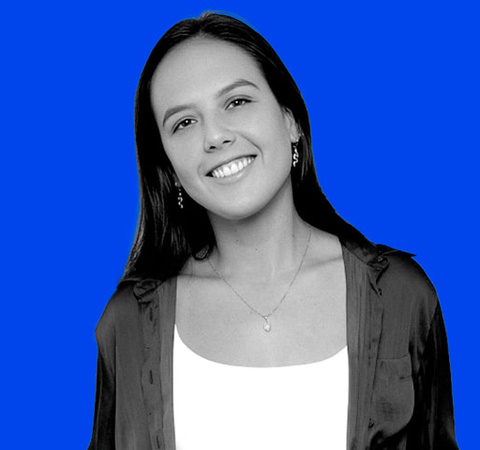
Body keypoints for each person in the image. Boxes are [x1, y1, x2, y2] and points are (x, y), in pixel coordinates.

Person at [88, 12, 459, 450]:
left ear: (291, 121)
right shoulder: (128, 323)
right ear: (168, 169)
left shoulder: (401, 297)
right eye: (183, 123)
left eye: (237, 102)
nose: (216, 136)